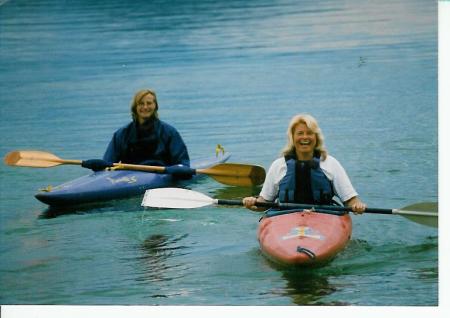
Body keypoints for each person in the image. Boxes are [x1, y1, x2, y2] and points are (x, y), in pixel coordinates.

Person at [242, 114, 366, 214]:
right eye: (300, 133)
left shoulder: (330, 163)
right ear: (292, 137)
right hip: (285, 218)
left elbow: (350, 200)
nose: (305, 137)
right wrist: (253, 203)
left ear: (316, 137)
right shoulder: (278, 166)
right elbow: (264, 203)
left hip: (324, 217)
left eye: (310, 133)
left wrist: (357, 206)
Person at [81, 89, 194, 178]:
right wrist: (98, 165)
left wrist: (178, 169)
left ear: (155, 106)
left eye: (149, 103)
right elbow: (108, 163)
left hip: (161, 174)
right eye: (141, 103)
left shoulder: (169, 132)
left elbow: (183, 163)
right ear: (135, 107)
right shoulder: (122, 133)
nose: (145, 107)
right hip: (129, 177)